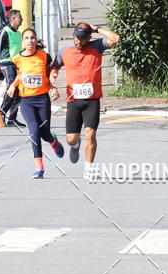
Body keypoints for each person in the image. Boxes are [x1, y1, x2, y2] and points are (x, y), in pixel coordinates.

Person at [49, 21, 120, 180]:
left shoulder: (97, 46)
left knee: (90, 134)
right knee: (71, 139)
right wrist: (53, 78)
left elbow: (115, 38)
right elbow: (54, 67)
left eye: (82, 39)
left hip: (92, 100)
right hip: (73, 101)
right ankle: (75, 145)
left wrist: (96, 29)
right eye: (76, 37)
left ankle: (89, 168)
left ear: (89, 38)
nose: (78, 41)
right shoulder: (64, 50)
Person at [7, 28, 64, 178]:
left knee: (44, 132)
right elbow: (20, 75)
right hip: (26, 100)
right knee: (34, 131)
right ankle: (39, 167)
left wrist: (54, 88)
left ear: (36, 39)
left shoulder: (44, 57)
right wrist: (13, 86)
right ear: (23, 41)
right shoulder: (17, 58)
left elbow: (49, 74)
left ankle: (53, 141)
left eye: (32, 38)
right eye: (26, 38)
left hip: (42, 99)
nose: (30, 41)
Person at [0, 9, 23, 126]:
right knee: (11, 86)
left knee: (18, 89)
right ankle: (2, 112)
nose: (22, 19)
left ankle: (12, 118)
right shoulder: (5, 31)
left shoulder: (18, 33)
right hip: (6, 62)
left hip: (17, 63)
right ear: (13, 19)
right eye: (20, 17)